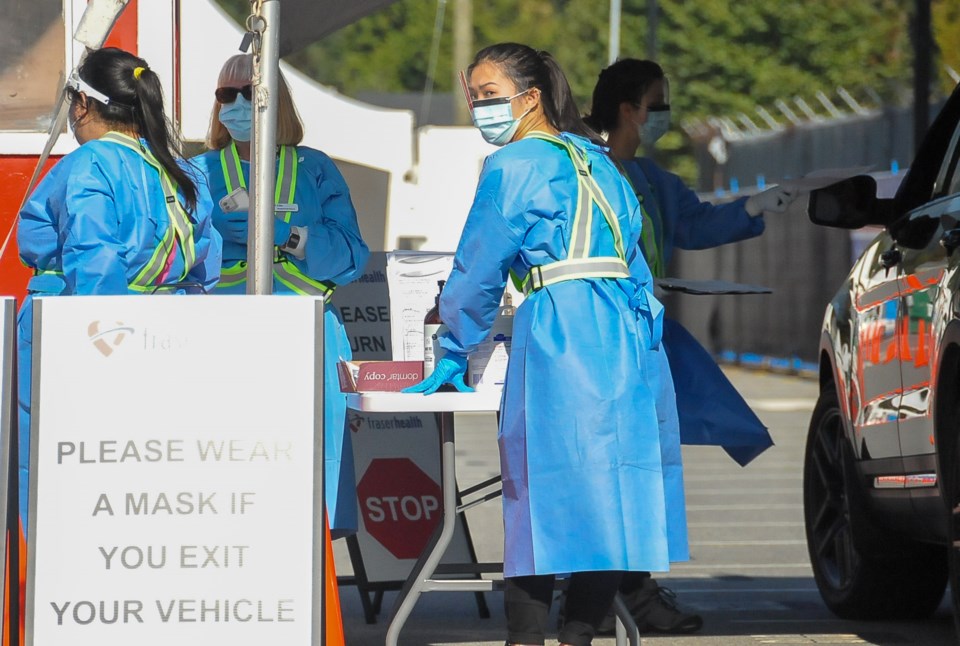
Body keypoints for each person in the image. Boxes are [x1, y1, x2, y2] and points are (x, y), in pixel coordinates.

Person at [404, 43, 680, 646]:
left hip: (562, 326)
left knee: (540, 488)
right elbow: (635, 256)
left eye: (487, 95)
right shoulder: (597, 158)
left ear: (529, 99)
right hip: (628, 332)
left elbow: (479, 266)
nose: (478, 106)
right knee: (612, 491)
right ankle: (581, 635)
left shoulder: (516, 163)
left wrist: (454, 346)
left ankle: (524, 639)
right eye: (473, 95)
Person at [581, 58, 792, 634]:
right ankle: (604, 596)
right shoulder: (582, 170)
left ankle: (628, 591)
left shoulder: (649, 179)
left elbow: (694, 223)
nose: (666, 113)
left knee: (642, 464)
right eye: (660, 101)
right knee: (604, 468)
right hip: (592, 339)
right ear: (630, 109)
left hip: (645, 336)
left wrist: (752, 208)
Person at [17, 47, 222, 533]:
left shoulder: (90, 164)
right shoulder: (183, 171)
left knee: (53, 487)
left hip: (81, 342)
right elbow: (205, 269)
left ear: (83, 104)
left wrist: (105, 351)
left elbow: (94, 260)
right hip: (169, 341)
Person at [191, 54, 370, 538]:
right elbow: (175, 256)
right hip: (220, 340)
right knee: (224, 467)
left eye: (250, 92)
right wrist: (212, 239)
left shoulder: (315, 169)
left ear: (275, 100)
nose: (238, 103)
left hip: (305, 338)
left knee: (310, 466)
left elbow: (352, 256)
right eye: (227, 95)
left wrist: (286, 234)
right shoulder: (196, 171)